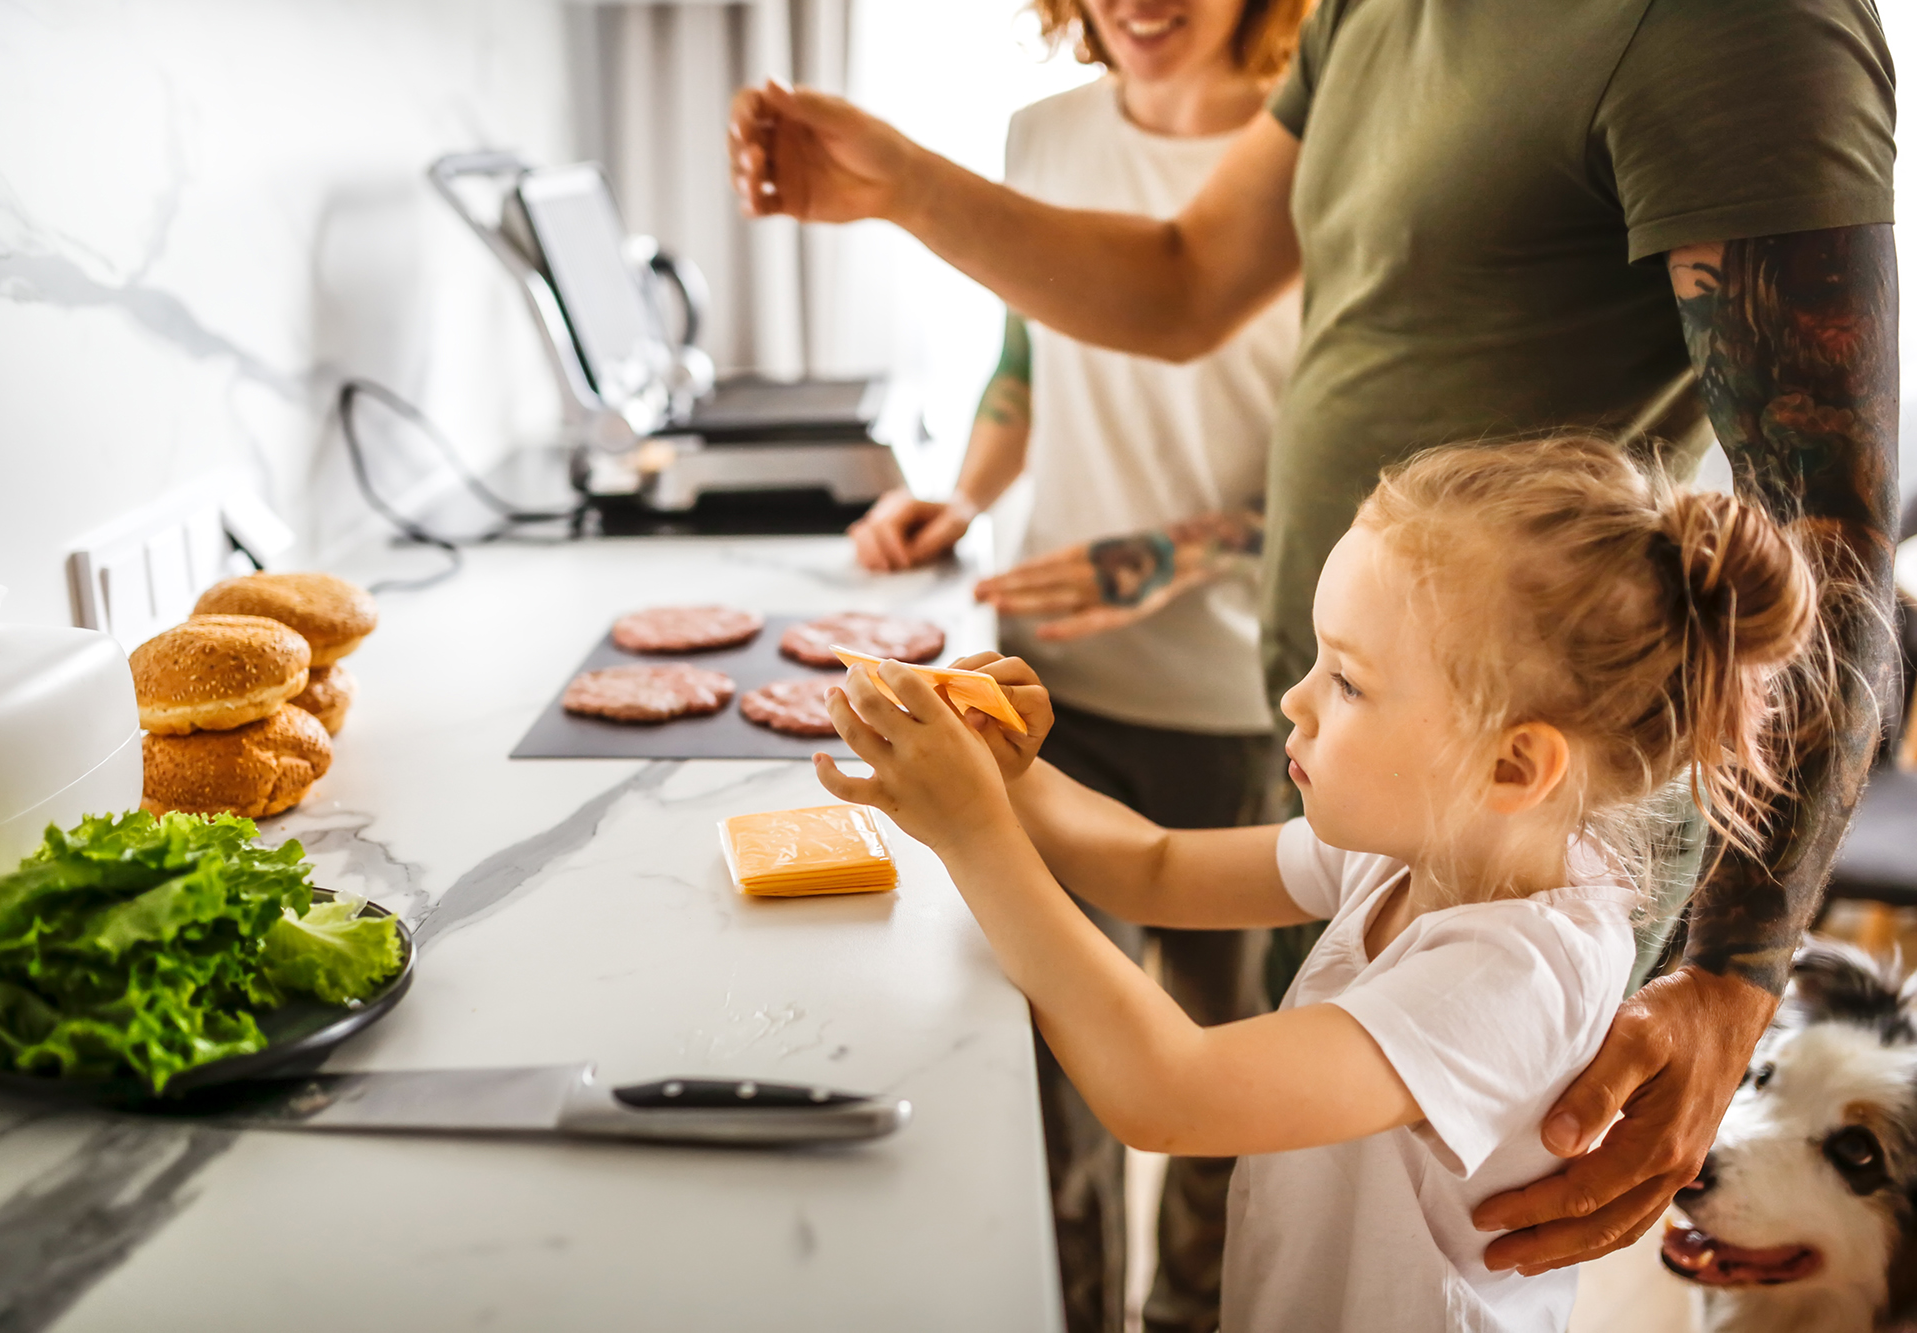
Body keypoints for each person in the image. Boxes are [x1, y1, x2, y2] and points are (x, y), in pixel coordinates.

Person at [729, 0, 1899, 1273]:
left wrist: (1733, 977)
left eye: (1326, 679)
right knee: (1281, 1187)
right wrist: (1010, 779)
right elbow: (1184, 281)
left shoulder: (1727, 26)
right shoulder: (1391, 862)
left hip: (1468, 763)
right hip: (1407, 764)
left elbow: (1831, 555)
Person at [815, 435, 1829, 1331]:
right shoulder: (1419, 845)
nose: (1296, 700)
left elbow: (1168, 1094)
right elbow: (1153, 864)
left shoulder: (1512, 976)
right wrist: (1013, 777)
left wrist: (976, 837)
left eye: (1346, 680)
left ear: (1511, 767)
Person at [843, 2, 1304, 1327]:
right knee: (1052, 1078)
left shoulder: (1316, 155)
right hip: (1045, 700)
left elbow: (1363, 459)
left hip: (1246, 711)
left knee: (1228, 1081)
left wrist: (1169, 554)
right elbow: (1023, 364)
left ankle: (1190, 1314)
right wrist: (962, 494)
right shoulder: (1040, 136)